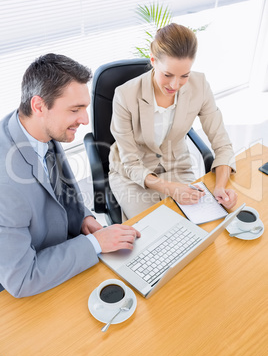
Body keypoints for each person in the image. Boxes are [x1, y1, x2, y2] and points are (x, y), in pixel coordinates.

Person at [0, 53, 140, 298]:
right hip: (30, 283)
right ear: (39, 106)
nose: (85, 120)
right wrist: (96, 244)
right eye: (75, 109)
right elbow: (23, 279)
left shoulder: (36, 129)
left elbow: (60, 192)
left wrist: (83, 217)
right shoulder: (6, 184)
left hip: (62, 252)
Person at [109, 23, 238, 220]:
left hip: (176, 166)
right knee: (154, 231)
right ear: (153, 61)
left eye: (184, 75)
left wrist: (220, 186)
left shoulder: (200, 86)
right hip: (133, 175)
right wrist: (169, 188)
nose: (175, 85)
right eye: (167, 75)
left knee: (201, 226)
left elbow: (222, 144)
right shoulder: (125, 95)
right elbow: (131, 163)